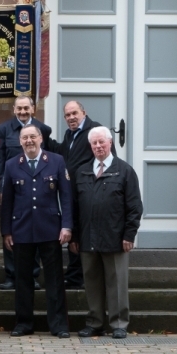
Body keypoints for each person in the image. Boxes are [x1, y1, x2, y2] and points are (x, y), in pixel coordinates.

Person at [70, 126, 143, 340]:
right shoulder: (82, 171)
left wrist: (129, 234)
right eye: (94, 143)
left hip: (115, 237)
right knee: (92, 283)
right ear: (90, 146)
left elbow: (134, 206)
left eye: (102, 142)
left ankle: (119, 323)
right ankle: (95, 323)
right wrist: (74, 236)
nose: (98, 146)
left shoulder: (124, 171)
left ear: (110, 143)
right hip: (87, 237)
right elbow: (73, 207)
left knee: (116, 282)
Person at [1, 124, 72, 338]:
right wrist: (6, 231)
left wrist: (67, 225)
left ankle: (59, 325)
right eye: (25, 138)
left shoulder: (56, 161)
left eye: (33, 136)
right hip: (21, 229)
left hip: (50, 229)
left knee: (54, 280)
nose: (29, 141)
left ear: (40, 138)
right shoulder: (12, 165)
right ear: (20, 141)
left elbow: (66, 197)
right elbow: (7, 202)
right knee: (22, 279)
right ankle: (23, 323)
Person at [0, 95, 52, 291]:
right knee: (10, 232)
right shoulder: (2, 130)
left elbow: (48, 159)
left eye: (27, 108)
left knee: (34, 232)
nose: (23, 112)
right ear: (14, 109)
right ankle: (11, 275)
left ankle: (32, 275)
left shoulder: (44, 130)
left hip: (37, 189)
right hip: (12, 190)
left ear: (33, 108)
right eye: (19, 109)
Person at [55, 100, 114, 290]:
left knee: (86, 234)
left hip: (91, 190)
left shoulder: (94, 130)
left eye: (74, 113)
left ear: (83, 113)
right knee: (75, 232)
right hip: (73, 191)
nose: (71, 117)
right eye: (67, 115)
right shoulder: (70, 135)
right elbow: (67, 156)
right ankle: (74, 276)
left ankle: (82, 276)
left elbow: (108, 159)